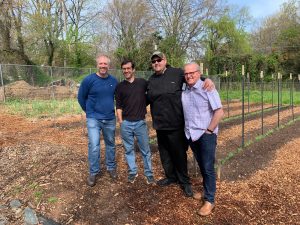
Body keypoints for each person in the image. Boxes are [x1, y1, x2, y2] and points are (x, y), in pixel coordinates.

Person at [147, 51, 214, 197]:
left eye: (159, 60)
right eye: (153, 61)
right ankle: (171, 177)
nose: (156, 63)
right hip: (160, 125)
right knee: (165, 154)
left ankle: (185, 182)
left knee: (178, 154)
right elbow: (146, 98)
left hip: (176, 124)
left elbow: (193, 77)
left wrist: (207, 79)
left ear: (165, 60)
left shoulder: (177, 73)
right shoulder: (151, 80)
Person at [182, 62, 224, 216]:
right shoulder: (185, 90)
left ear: (199, 73)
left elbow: (219, 112)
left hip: (206, 135)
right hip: (191, 135)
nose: (189, 75)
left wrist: (209, 131)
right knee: (202, 165)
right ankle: (206, 193)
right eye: (186, 73)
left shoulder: (208, 88)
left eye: (192, 72)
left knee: (207, 167)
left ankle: (210, 201)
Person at [77, 54, 118, 187]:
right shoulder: (89, 80)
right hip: (93, 118)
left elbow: (119, 98)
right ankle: (94, 172)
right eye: (101, 64)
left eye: (105, 64)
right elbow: (81, 97)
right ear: (97, 65)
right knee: (94, 145)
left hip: (109, 118)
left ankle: (111, 167)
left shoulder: (114, 81)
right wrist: (89, 112)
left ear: (109, 66)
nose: (103, 66)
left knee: (111, 144)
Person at [115, 59, 155, 184]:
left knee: (145, 150)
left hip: (140, 123)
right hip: (126, 123)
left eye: (128, 68)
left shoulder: (142, 83)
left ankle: (149, 174)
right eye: (124, 69)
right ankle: (133, 172)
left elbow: (153, 92)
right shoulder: (120, 87)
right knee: (128, 149)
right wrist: (121, 122)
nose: (126, 71)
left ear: (133, 69)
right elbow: (119, 106)